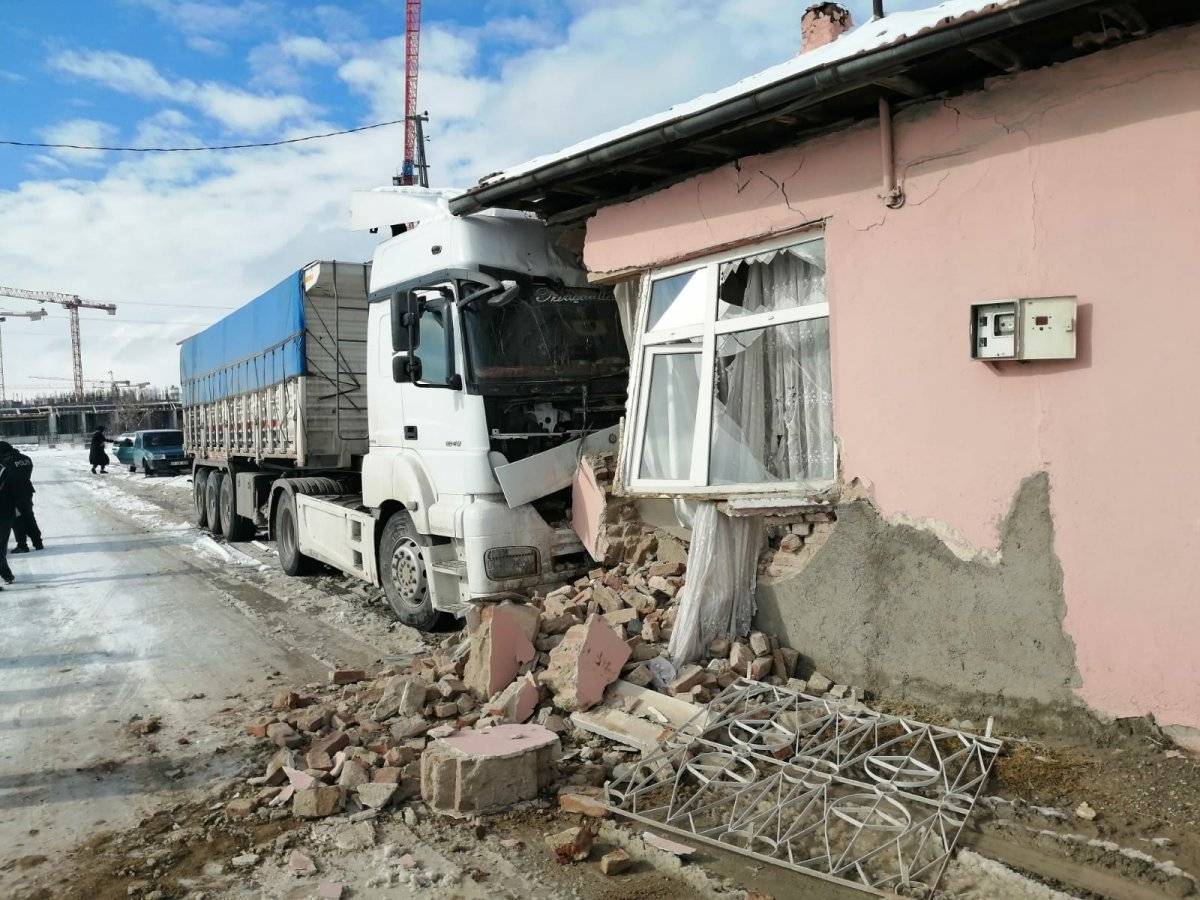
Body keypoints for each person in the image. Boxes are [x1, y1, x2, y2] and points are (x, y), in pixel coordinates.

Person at [0, 442, 42, 552]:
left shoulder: (6, 463)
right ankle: (38, 542)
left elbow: (5, 479)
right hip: (27, 492)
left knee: (16, 519)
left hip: (12, 495)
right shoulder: (26, 458)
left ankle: (22, 545)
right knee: (29, 516)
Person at [0, 447, 18, 587]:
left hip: (5, 513)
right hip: (6, 513)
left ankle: (6, 573)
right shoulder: (6, 471)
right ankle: (6, 574)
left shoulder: (6, 471)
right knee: (1, 546)